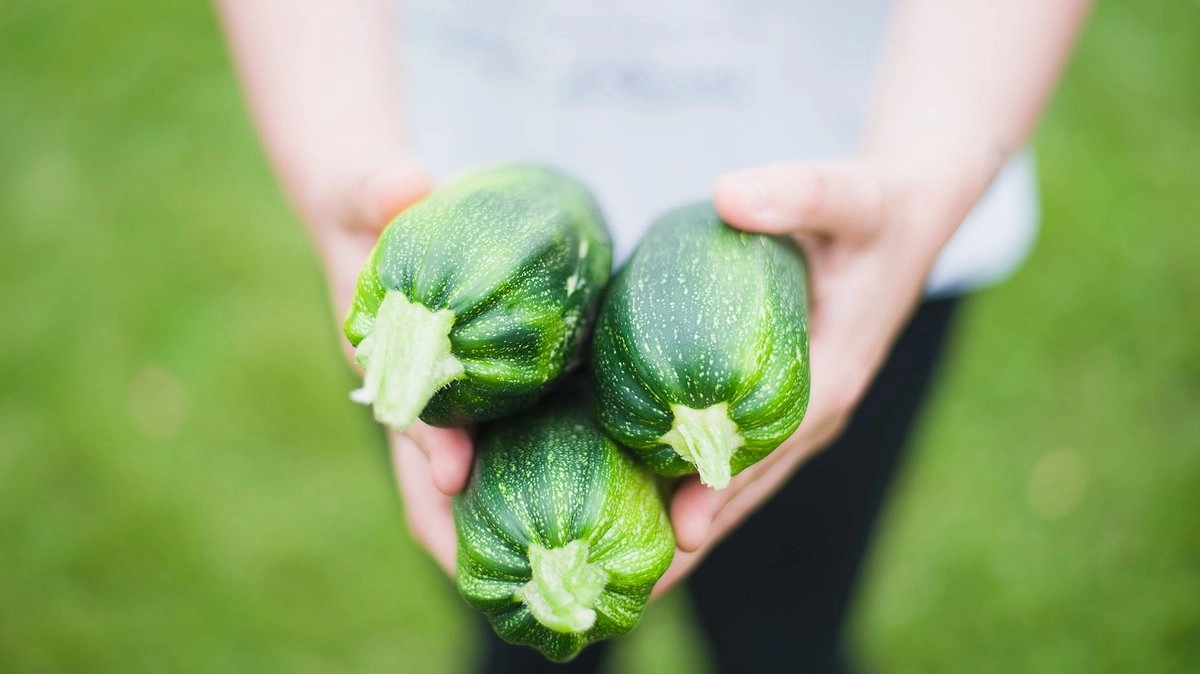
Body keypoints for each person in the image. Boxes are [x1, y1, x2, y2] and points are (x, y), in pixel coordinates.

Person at [217, 1, 1091, 671]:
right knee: (524, 639)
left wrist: (924, 183)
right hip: (455, 195)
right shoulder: (427, 289)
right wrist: (335, 151)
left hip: (859, 211)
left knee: (786, 626)